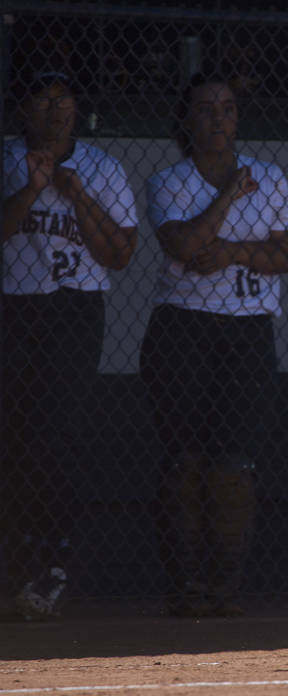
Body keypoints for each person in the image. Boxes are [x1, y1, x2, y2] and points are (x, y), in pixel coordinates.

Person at [141, 73, 288, 617]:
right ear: (188, 120)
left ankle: (224, 589)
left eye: (228, 109)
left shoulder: (271, 178)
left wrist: (233, 252)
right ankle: (185, 585)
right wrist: (230, 194)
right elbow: (183, 245)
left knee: (234, 464)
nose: (218, 120)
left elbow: (286, 255)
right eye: (206, 110)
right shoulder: (169, 180)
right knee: (186, 461)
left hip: (247, 331)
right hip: (183, 328)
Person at [1, 70, 138, 620]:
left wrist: (75, 194)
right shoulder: (7, 158)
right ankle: (19, 559)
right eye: (45, 100)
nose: (57, 111)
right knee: (12, 435)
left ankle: (53, 560)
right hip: (13, 305)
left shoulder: (101, 167)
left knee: (53, 435)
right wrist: (32, 188)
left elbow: (120, 253)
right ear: (24, 109)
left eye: (66, 100)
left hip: (74, 309)